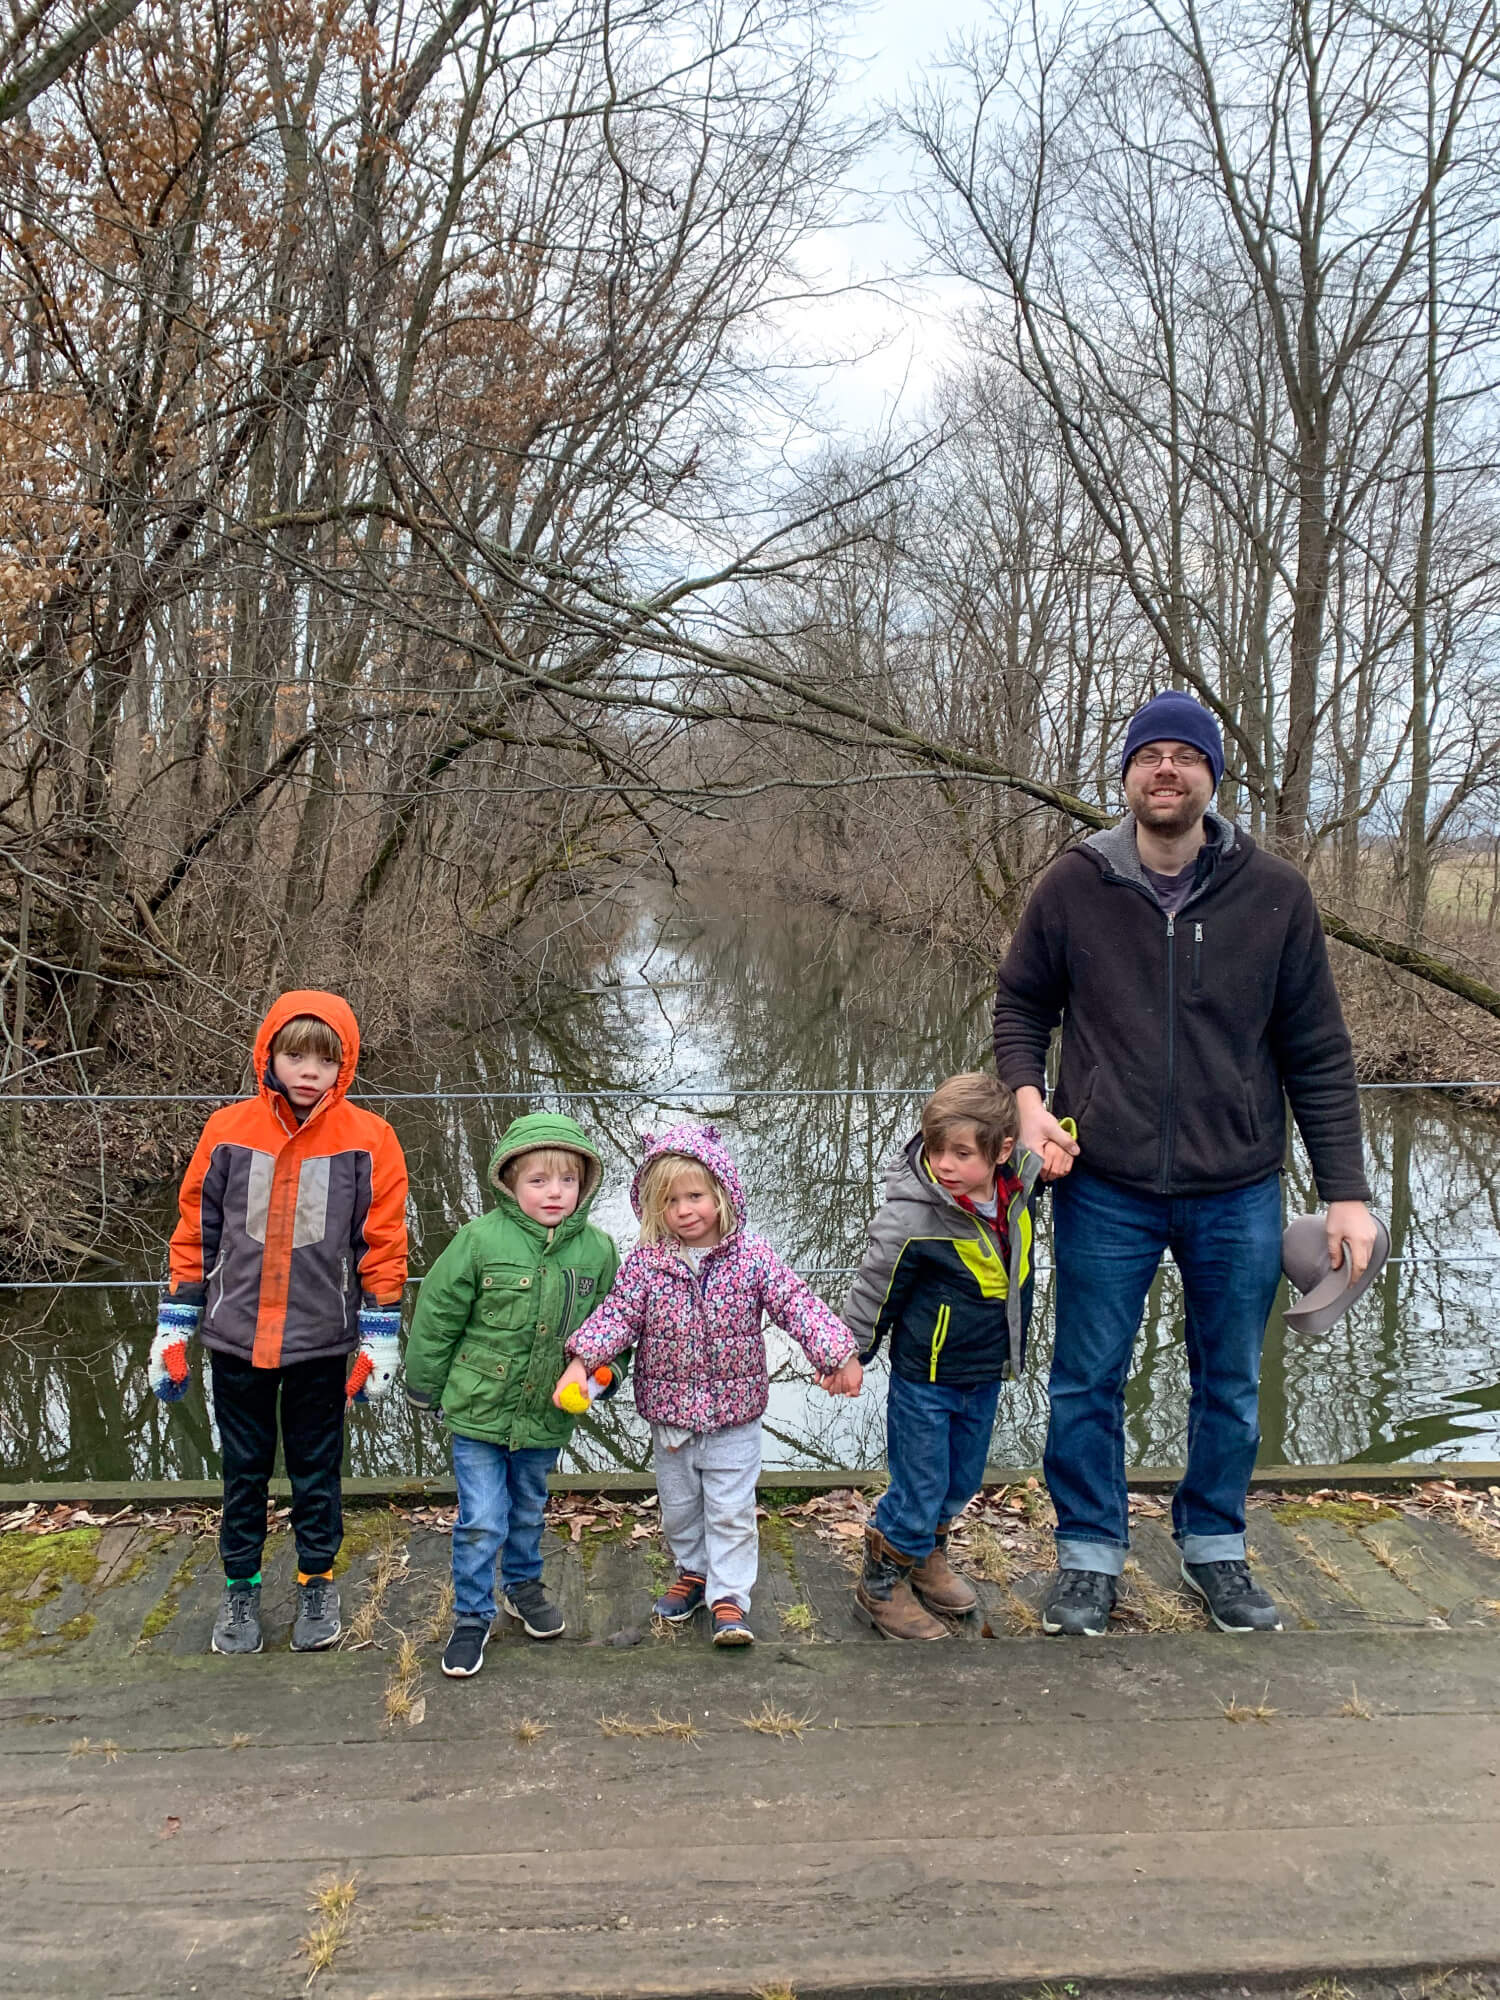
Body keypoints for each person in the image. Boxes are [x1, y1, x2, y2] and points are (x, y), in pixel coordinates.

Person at [993, 690, 1379, 1637]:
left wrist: (1348, 1196)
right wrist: (1031, 1106)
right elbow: (1019, 1009)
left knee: (1231, 1382)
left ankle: (1216, 1547)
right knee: (1087, 1378)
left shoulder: (1277, 893)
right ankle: (1088, 1554)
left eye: (1185, 755)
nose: (1166, 770)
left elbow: (1319, 1054)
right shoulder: (1073, 884)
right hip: (1105, 1188)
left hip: (1238, 1188)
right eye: (1148, 756)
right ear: (1125, 777)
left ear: (1212, 776)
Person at [149, 991, 409, 1657]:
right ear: (269, 1055)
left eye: (325, 1060)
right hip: (235, 1339)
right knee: (243, 1471)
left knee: (318, 1471)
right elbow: (194, 1231)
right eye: (295, 1055)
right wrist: (175, 1326)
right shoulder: (227, 1129)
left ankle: (316, 1580)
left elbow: (383, 1244)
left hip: (323, 1343)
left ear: (343, 1067)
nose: (307, 1071)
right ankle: (241, 1586)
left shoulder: (371, 1139)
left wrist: (380, 1336)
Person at [554, 1123, 861, 1647]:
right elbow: (617, 1315)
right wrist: (583, 1361)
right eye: (669, 1200)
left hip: (734, 1417)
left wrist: (838, 1353)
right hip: (670, 1417)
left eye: (695, 1196)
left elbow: (797, 1303)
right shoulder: (648, 1264)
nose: (684, 1210)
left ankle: (730, 1597)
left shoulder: (752, 1257)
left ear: (722, 1194)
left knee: (731, 1511)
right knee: (679, 1508)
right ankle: (694, 1571)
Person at [403, 1112, 620, 1679]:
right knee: (481, 1518)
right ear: (510, 1183)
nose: (554, 1193)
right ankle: (472, 1614)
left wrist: (603, 1376)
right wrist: (424, 1385)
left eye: (568, 1181)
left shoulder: (597, 1251)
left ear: (585, 1184)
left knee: (528, 1507)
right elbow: (438, 1315)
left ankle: (522, 1586)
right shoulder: (478, 1241)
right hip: (478, 1408)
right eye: (539, 1181)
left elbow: (617, 1324)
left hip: (546, 1414)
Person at [842, 1072, 1044, 1640]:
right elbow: (873, 1287)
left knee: (960, 1480)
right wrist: (849, 1354)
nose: (944, 1164)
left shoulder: (1018, 1190)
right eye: (935, 1150)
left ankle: (927, 1557)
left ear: (1002, 1151)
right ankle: (880, 1584)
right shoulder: (914, 1215)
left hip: (985, 1371)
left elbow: (1049, 1146)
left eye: (960, 1153)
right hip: (926, 1378)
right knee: (920, 1482)